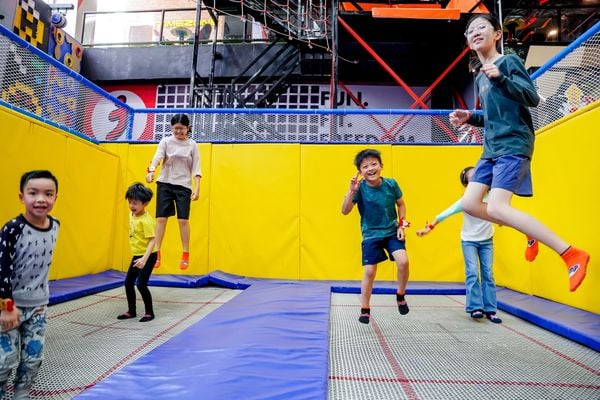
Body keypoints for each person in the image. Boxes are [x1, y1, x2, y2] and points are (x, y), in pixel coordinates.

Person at [450, 14, 589, 292]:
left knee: (499, 206)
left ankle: (570, 253)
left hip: (514, 143)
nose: (475, 32)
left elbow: (532, 98)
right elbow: (492, 116)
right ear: (467, 41)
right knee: (469, 203)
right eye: (470, 30)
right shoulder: (479, 77)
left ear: (497, 34)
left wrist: (501, 78)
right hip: (491, 148)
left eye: (481, 27)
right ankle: (528, 230)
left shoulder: (508, 63)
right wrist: (470, 118)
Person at [0, 170, 60, 399]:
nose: (41, 199)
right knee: (4, 360)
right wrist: (6, 307)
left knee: (33, 359)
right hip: (9, 307)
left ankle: (22, 396)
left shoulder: (55, 225)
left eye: (48, 193)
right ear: (21, 196)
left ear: (55, 198)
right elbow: (2, 268)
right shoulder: (13, 228)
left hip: (38, 307)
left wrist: (42, 302)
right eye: (33, 193)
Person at [417, 167, 502, 323]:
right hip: (469, 240)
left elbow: (502, 213)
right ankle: (475, 307)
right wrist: (428, 229)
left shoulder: (492, 198)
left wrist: (503, 222)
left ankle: (490, 309)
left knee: (488, 274)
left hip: (487, 240)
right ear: (468, 185)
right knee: (472, 272)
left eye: (480, 176)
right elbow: (444, 214)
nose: (478, 180)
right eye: (473, 179)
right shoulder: (466, 201)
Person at [341, 149, 410, 324]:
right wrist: (351, 191)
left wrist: (402, 225)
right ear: (360, 171)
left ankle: (400, 294)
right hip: (371, 234)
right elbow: (345, 211)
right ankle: (365, 308)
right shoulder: (360, 188)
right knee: (370, 271)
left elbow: (401, 204)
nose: (370, 168)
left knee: (403, 261)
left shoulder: (391, 184)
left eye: (374, 164)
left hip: (392, 231)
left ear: (381, 166)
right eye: (365, 166)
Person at [146, 114, 201, 270]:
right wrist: (151, 171)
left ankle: (185, 253)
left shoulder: (192, 145)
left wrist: (197, 188)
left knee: (182, 220)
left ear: (187, 128)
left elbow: (197, 167)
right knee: (161, 219)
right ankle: (157, 253)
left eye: (182, 128)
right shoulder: (166, 141)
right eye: (175, 128)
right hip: (165, 183)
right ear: (172, 128)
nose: (178, 132)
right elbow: (158, 157)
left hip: (184, 186)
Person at [117, 183, 158, 322]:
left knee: (141, 284)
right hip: (137, 254)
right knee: (128, 282)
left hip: (149, 255)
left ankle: (149, 313)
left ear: (145, 203)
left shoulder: (147, 221)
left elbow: (153, 241)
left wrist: (144, 259)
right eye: (129, 202)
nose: (131, 206)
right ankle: (131, 310)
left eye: (135, 203)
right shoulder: (132, 214)